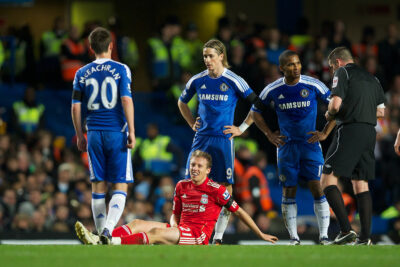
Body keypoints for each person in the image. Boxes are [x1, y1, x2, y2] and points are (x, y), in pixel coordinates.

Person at [75, 150, 278, 245]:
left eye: (199, 166)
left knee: (154, 232)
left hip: (198, 236)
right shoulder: (182, 185)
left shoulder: (216, 190)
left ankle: (108, 244)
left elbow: (239, 211)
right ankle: (102, 238)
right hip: (181, 229)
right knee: (136, 222)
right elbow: (175, 214)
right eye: (193, 164)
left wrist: (260, 234)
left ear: (207, 170)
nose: (195, 168)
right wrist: (174, 226)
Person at [177, 39, 258, 244]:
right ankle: (187, 231)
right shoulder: (198, 80)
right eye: (205, 56)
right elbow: (182, 102)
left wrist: (242, 128)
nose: (207, 60)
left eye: (211, 55)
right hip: (201, 138)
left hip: (223, 139)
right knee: (191, 185)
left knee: (226, 188)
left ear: (221, 56)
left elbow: (258, 104)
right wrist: (190, 122)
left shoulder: (234, 80)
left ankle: (219, 237)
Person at [251, 50, 334, 245]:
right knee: (289, 190)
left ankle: (324, 236)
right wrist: (269, 134)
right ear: (281, 68)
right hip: (287, 148)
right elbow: (255, 112)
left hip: (310, 146)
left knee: (317, 187)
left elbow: (335, 107)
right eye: (290, 64)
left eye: (297, 63)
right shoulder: (272, 89)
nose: (295, 67)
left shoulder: (313, 84)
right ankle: (294, 238)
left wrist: (325, 133)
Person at [71, 27, 135, 244]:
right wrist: (132, 131)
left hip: (94, 133)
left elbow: (75, 107)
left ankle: (99, 237)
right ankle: (107, 230)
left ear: (90, 48)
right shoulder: (122, 69)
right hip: (116, 132)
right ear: (110, 46)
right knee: (120, 185)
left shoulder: (81, 73)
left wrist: (80, 134)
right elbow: (126, 100)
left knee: (98, 186)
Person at [321, 47, 385, 245]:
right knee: (361, 183)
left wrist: (330, 114)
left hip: (349, 130)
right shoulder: (373, 79)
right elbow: (381, 112)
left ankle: (346, 229)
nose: (333, 71)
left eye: (332, 67)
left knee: (327, 180)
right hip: (369, 133)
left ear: (338, 62)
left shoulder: (343, 72)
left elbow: (335, 105)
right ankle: (365, 238)